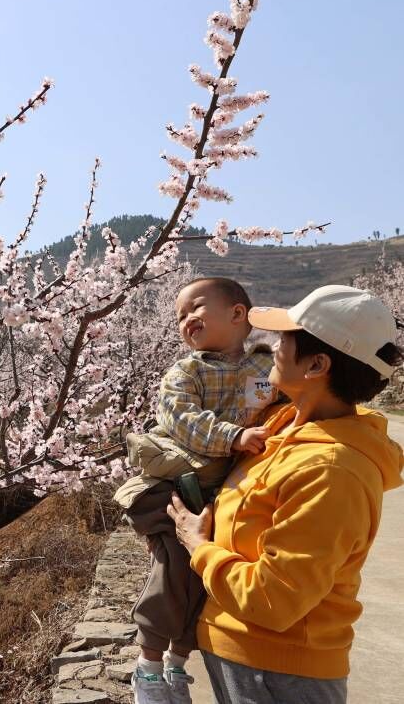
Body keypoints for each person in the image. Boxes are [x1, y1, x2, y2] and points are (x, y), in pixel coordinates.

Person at [168, 284, 404, 704]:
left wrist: (198, 546)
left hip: (280, 675)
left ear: (316, 364)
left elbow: (274, 601)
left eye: (287, 338)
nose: (273, 345)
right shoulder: (280, 423)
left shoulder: (332, 471)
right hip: (246, 660)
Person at [114, 277, 278, 704]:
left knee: (207, 581)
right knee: (173, 572)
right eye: (179, 316)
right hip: (178, 487)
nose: (186, 320)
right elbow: (180, 418)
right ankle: (148, 669)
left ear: (238, 314)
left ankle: (176, 665)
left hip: (228, 494)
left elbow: (289, 407)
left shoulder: (267, 367)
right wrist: (233, 437)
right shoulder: (186, 371)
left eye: (195, 308)